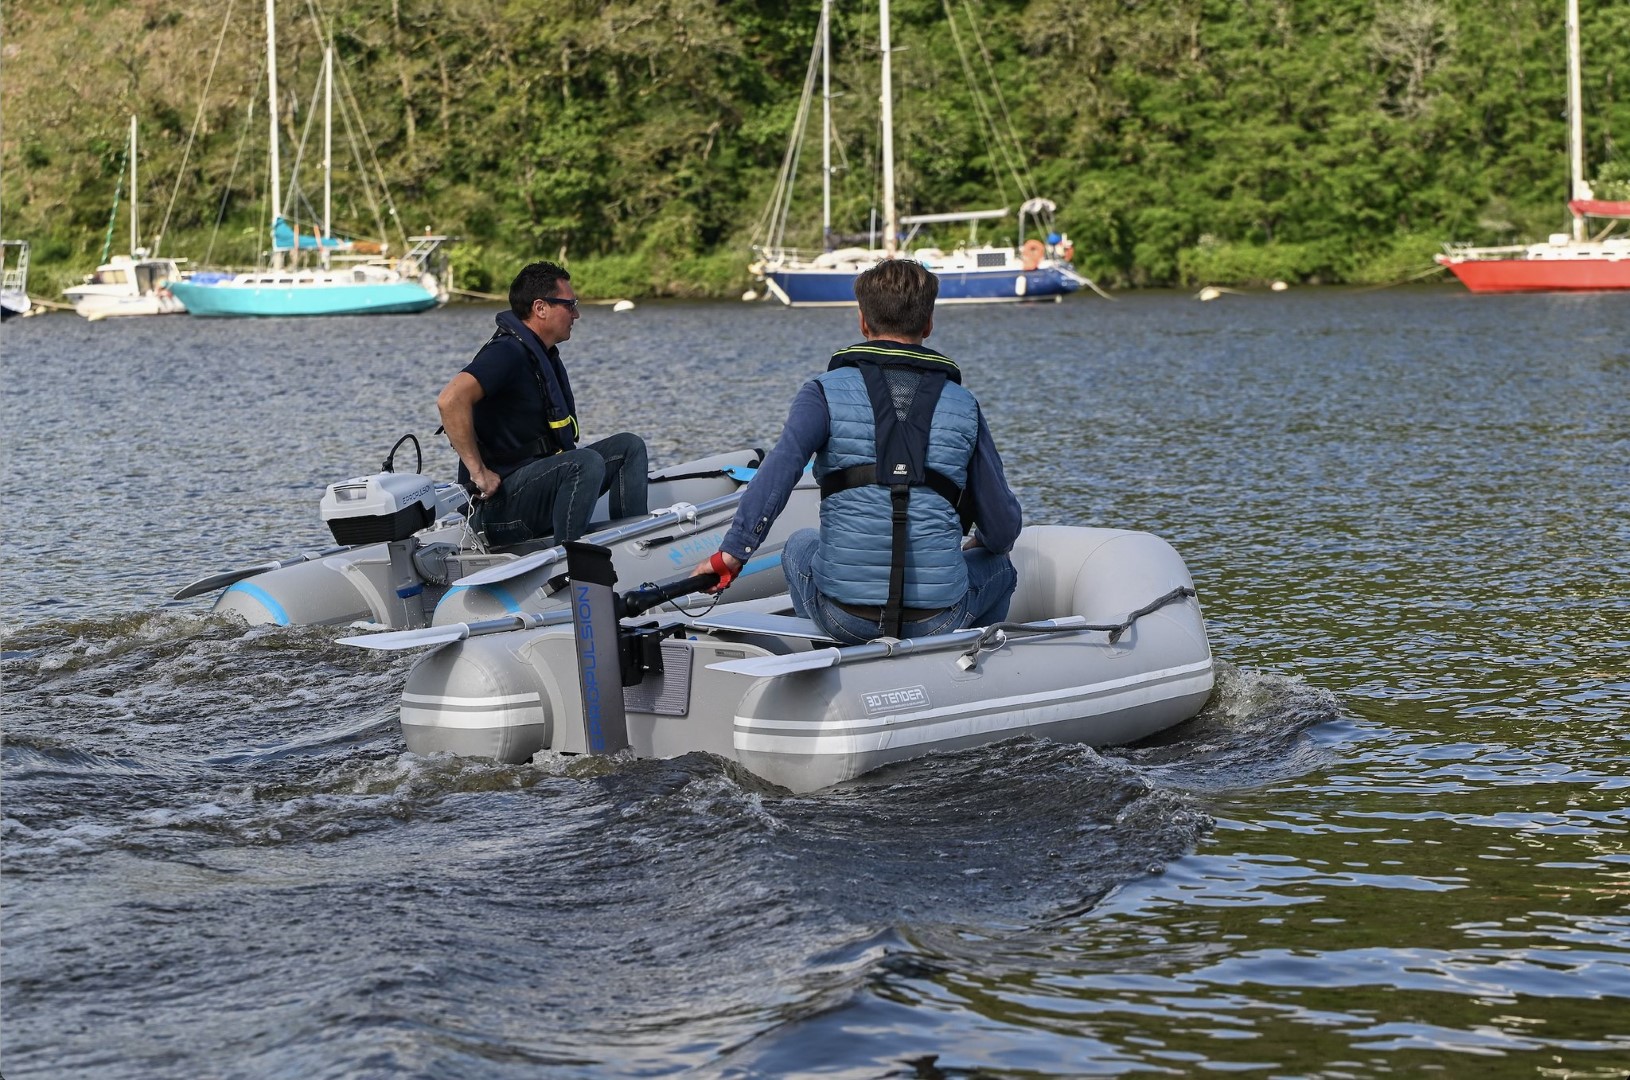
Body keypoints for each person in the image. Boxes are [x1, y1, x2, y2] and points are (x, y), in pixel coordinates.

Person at [694, 259, 1021, 645]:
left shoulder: (822, 392)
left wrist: (732, 554)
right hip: (938, 620)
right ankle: (966, 663)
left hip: (844, 617)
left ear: (863, 322)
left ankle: (834, 659)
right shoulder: (965, 405)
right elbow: (1003, 529)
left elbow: (778, 473)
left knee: (799, 544)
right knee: (1000, 567)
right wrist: (982, 541)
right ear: (928, 324)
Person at [437, 261, 648, 546]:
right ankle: (570, 560)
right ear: (540, 308)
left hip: (535, 488)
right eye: (570, 304)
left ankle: (635, 543)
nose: (576, 313)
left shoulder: (541, 355)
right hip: (497, 509)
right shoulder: (507, 353)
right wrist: (479, 473)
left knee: (629, 447)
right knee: (582, 463)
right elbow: (450, 400)